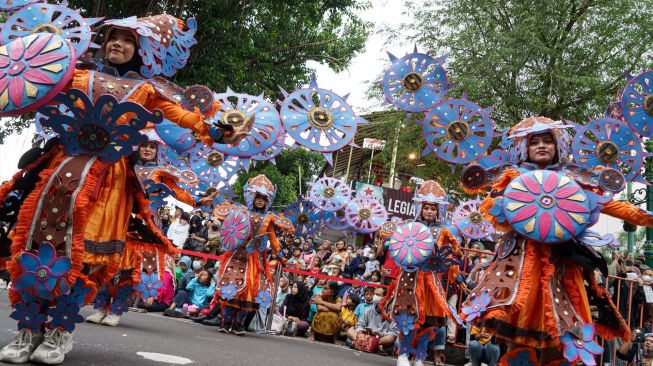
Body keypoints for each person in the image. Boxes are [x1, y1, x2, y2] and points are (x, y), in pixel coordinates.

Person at [0, 7, 256, 362]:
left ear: (140, 51)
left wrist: (220, 132)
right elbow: (29, 85)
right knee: (38, 242)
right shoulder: (75, 73)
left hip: (110, 178)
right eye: (112, 39)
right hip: (64, 167)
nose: (117, 44)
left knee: (84, 257)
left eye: (126, 41)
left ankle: (58, 333)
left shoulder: (148, 88)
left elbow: (186, 118)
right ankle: (28, 331)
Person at [460, 116, 653, 365]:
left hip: (561, 267)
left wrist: (646, 218)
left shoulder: (570, 179)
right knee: (518, 336)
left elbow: (611, 205)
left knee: (562, 338)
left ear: (557, 146)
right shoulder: (513, 177)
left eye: (547, 141)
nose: (541, 146)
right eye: (535, 142)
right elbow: (494, 211)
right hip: (518, 269)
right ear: (525, 148)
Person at [379, 180, 462, 366]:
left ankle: (419, 355)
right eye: (427, 208)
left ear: (438, 211)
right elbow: (396, 244)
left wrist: (458, 275)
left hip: (432, 281)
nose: (430, 212)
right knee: (408, 318)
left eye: (433, 209)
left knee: (429, 322)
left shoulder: (443, 232)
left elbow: (451, 256)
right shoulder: (409, 226)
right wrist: (390, 244)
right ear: (421, 209)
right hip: (410, 278)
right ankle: (403, 354)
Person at [209, 175, 293, 336]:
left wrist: (282, 257)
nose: (260, 200)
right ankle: (226, 321)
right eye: (257, 197)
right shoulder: (240, 211)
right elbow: (224, 224)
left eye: (263, 198)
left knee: (250, 291)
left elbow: (273, 240)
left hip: (255, 260)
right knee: (231, 288)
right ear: (251, 197)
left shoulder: (269, 217)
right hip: (237, 256)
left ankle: (240, 324)